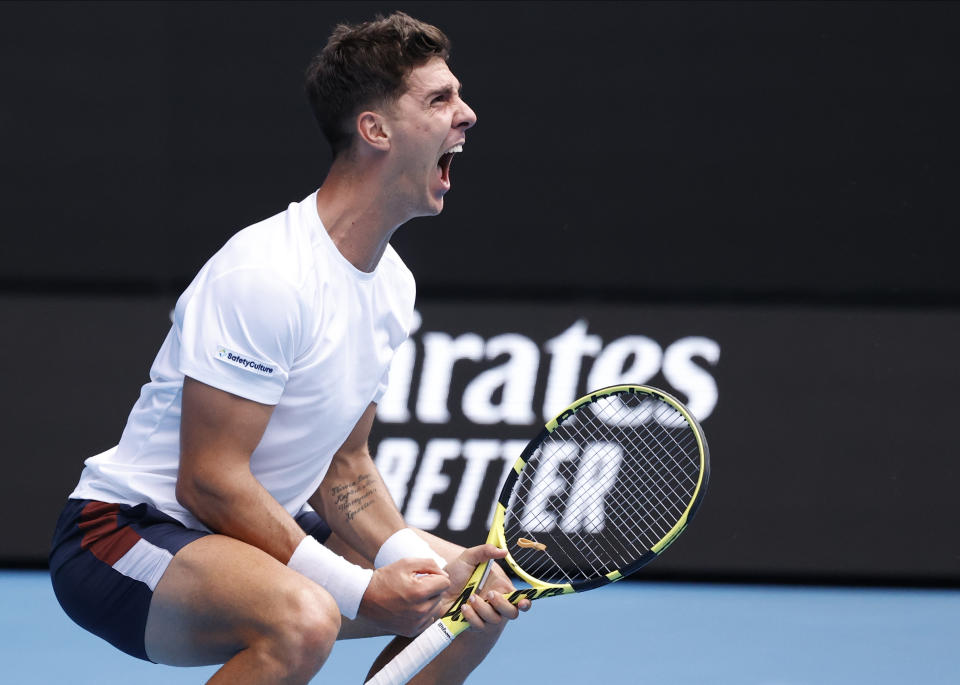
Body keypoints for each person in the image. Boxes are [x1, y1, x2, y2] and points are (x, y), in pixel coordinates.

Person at [49, 11, 529, 684]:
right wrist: (363, 589)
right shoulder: (267, 272)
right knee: (304, 617)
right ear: (375, 129)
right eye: (439, 98)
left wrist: (406, 562)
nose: (468, 114)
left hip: (242, 534)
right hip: (124, 532)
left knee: (469, 592)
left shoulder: (393, 285)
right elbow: (210, 479)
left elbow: (346, 465)